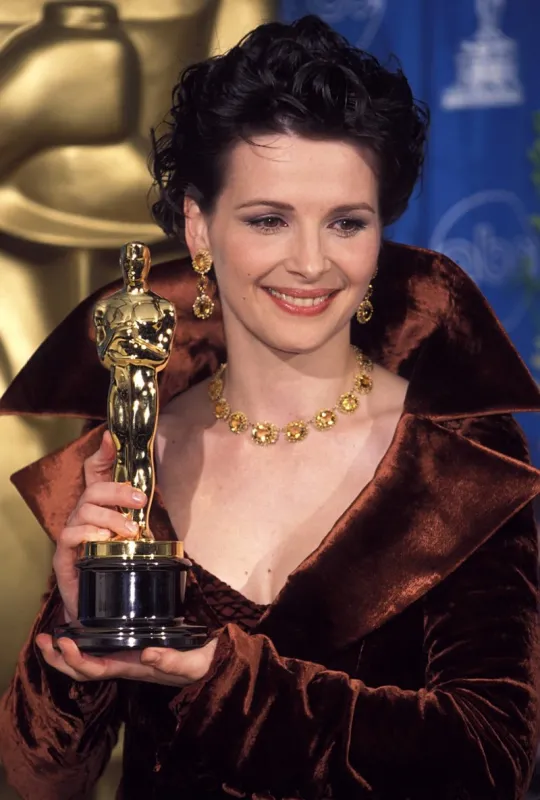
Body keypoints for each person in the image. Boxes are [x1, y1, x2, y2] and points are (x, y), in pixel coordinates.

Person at [1, 13, 540, 800]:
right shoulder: (129, 450)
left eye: (346, 223)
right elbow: (40, 780)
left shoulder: (457, 457)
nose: (313, 263)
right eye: (268, 219)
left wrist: (222, 680)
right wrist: (76, 640)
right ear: (199, 226)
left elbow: (492, 757)